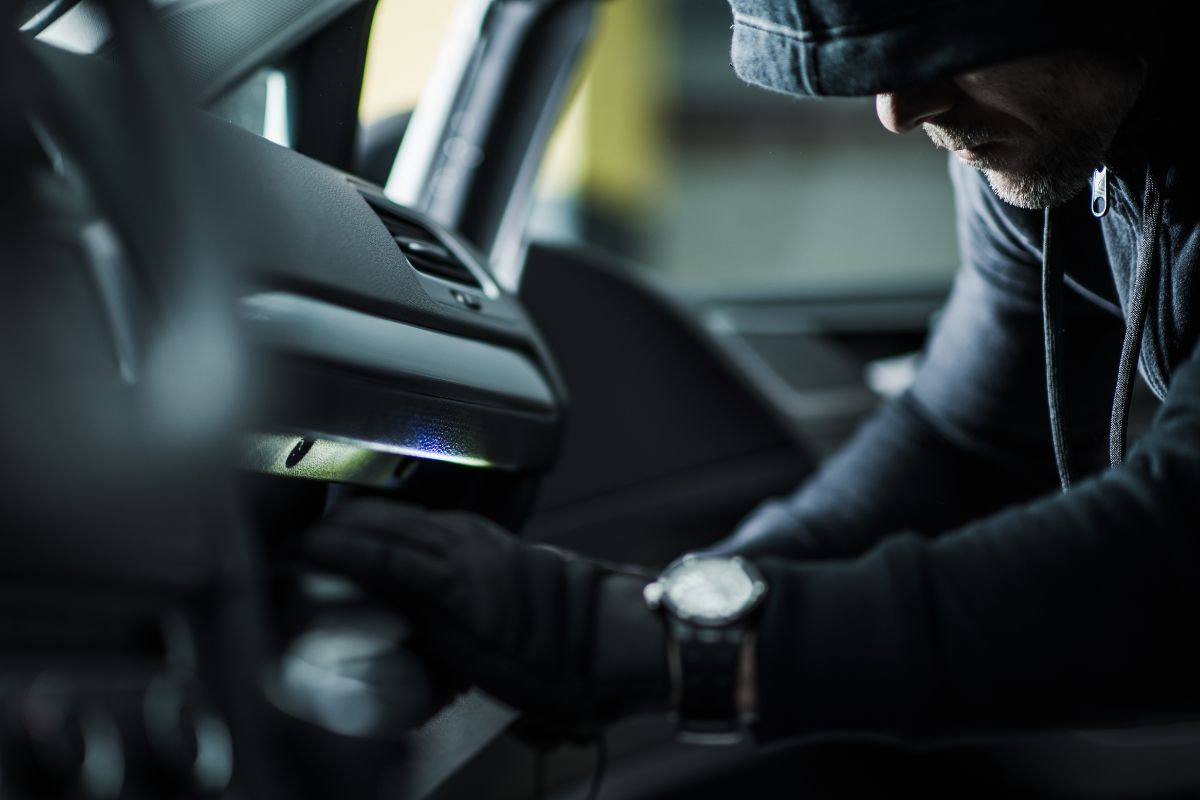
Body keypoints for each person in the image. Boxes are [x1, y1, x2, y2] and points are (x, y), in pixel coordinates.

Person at [303, 0, 1200, 748]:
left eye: (944, 42)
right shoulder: (1066, 131)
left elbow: (1173, 559)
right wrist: (677, 599)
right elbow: (963, 438)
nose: (899, 105)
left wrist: (605, 637)